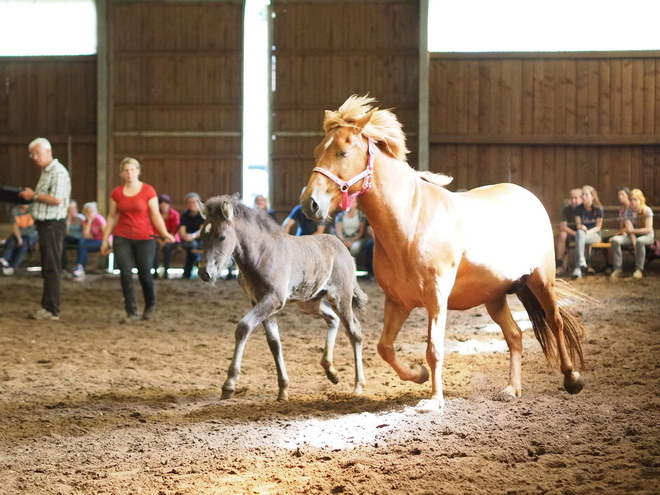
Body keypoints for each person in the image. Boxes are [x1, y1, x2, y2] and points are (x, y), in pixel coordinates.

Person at [101, 158, 175, 322]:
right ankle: (131, 312)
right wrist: (105, 239)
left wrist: (164, 233)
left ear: (138, 171)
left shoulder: (148, 191)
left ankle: (150, 304)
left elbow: (155, 214)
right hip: (122, 236)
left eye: (132, 170)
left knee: (144, 274)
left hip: (144, 237)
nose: (129, 173)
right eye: (126, 170)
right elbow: (112, 216)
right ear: (122, 173)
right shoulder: (117, 193)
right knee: (125, 274)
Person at [17, 137, 71, 320]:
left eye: (37, 153)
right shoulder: (47, 172)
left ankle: (51, 308)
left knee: (52, 266)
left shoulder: (57, 172)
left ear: (48, 151)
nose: (34, 157)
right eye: (32, 154)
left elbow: (56, 199)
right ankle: (48, 306)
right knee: (48, 266)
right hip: (45, 225)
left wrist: (34, 195)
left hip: (52, 225)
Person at [610, 188, 654, 280]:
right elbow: (630, 231)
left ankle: (639, 270)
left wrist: (633, 232)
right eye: (631, 199)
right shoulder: (627, 212)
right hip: (633, 236)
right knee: (615, 240)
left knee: (640, 241)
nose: (632, 202)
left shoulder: (647, 211)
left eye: (635, 199)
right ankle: (617, 268)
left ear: (640, 200)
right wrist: (634, 244)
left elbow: (648, 229)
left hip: (647, 236)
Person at [572, 185, 604, 279]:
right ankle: (581, 260)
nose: (583, 197)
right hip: (581, 234)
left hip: (594, 235)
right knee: (579, 234)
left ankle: (578, 267)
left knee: (579, 237)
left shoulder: (598, 208)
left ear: (592, 196)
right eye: (583, 195)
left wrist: (587, 232)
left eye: (586, 194)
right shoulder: (578, 208)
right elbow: (579, 225)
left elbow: (598, 227)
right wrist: (582, 229)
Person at [69, 202, 107, 280]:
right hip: (93, 242)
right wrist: (89, 222)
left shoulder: (99, 219)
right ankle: (80, 267)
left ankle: (80, 267)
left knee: (83, 244)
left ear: (95, 212)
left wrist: (108, 244)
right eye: (87, 212)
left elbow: (106, 234)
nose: (89, 214)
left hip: (102, 242)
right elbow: (86, 235)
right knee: (83, 243)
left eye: (91, 211)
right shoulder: (85, 221)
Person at [0, 203, 37, 275]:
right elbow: (15, 226)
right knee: (12, 242)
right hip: (18, 234)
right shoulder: (15, 211)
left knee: (23, 246)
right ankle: (4, 260)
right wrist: (19, 238)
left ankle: (12, 266)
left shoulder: (33, 210)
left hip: (30, 235)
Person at [555, 188, 583, 276]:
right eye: (572, 198)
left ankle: (582, 265)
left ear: (581, 199)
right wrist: (575, 234)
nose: (573, 201)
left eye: (576, 198)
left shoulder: (584, 208)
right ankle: (559, 264)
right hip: (571, 233)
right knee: (562, 234)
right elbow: (563, 226)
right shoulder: (566, 209)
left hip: (583, 234)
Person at [178, 192, 205, 280]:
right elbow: (182, 230)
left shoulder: (202, 214)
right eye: (189, 202)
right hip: (187, 240)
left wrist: (192, 236)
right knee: (191, 245)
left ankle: (187, 273)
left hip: (201, 240)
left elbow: (202, 230)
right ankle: (197, 262)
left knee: (192, 246)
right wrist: (185, 237)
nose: (191, 204)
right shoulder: (185, 215)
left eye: (193, 202)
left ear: (198, 203)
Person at [152, 194, 180, 279]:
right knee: (153, 246)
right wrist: (160, 242)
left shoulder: (174, 214)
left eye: (166, 203)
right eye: (161, 203)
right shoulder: (155, 215)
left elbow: (174, 230)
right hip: (157, 238)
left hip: (170, 238)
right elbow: (153, 229)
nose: (163, 206)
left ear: (169, 205)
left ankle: (166, 271)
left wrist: (166, 240)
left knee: (168, 248)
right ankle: (155, 271)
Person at [61, 200, 85, 273]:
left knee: (82, 242)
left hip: (79, 238)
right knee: (61, 242)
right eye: (70, 208)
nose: (72, 210)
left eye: (73, 208)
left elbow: (84, 233)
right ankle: (63, 267)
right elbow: (65, 233)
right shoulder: (64, 218)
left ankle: (80, 266)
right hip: (70, 238)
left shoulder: (81, 218)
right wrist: (68, 220)